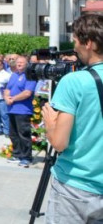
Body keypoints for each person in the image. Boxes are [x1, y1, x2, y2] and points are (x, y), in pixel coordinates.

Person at [42, 13, 103, 222]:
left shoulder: (74, 82)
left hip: (75, 188)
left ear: (89, 43)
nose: (74, 46)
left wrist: (50, 125)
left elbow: (59, 143)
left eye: (76, 40)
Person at [3, 55, 36, 168]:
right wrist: (7, 98)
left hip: (23, 110)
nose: (19, 64)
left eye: (21, 62)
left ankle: (27, 158)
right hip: (11, 109)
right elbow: (7, 89)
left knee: (24, 134)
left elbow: (27, 93)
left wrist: (13, 99)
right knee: (13, 134)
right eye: (17, 62)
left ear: (26, 64)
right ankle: (17, 155)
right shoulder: (13, 75)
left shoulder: (29, 76)